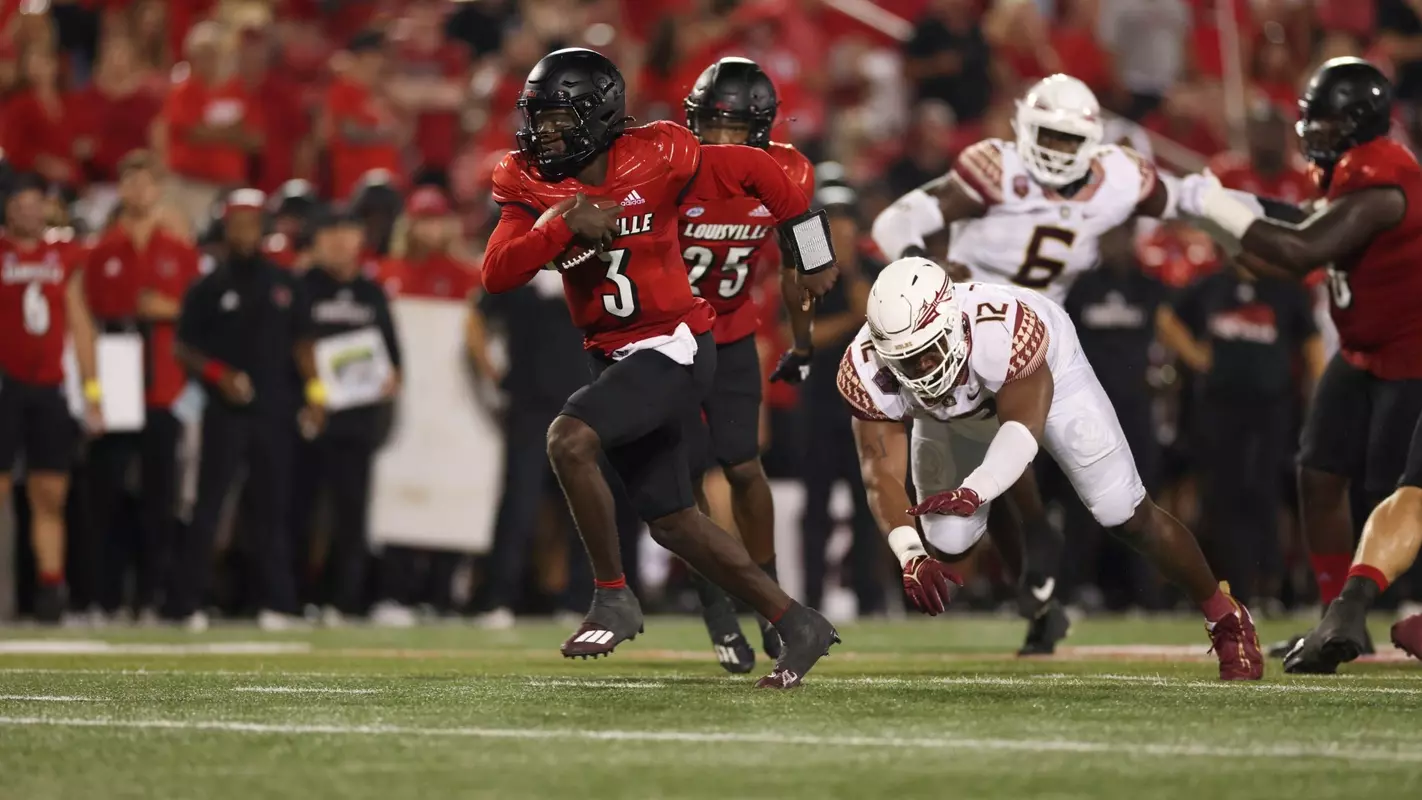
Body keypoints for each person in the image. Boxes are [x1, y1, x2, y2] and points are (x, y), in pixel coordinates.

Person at [480, 48, 839, 689]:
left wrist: (810, 249)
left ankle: (613, 593)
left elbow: (758, 169)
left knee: (570, 438)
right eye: (539, 118)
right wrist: (561, 225)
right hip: (614, 353)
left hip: (675, 342)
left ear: (599, 117)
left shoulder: (661, 155)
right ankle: (796, 621)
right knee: (674, 521)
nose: (545, 134)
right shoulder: (529, 178)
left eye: (560, 120)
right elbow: (498, 271)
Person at [840, 257, 1263, 681]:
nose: (922, 371)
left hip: (1049, 380)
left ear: (951, 325)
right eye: (907, 362)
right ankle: (1018, 522)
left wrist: (976, 490)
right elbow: (881, 475)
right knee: (947, 540)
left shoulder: (1007, 327)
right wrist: (909, 555)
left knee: (1123, 511)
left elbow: (1023, 431)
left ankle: (1225, 616)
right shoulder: (864, 368)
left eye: (928, 353)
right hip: (951, 417)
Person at [1179, 58, 1422, 671]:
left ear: (1359, 121)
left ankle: (1354, 608)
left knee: (1406, 492)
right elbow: (1292, 237)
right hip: (1365, 347)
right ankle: (1338, 617)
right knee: (1317, 473)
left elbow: (1299, 250)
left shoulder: (1387, 181)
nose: (1310, 127)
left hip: (1412, 350)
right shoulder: (1346, 172)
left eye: (1325, 116)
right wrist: (1213, 206)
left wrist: (1215, 205)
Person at [676, 56, 818, 673]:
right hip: (666, 338)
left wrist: (805, 339)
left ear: (760, 132)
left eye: (734, 130)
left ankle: (769, 599)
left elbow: (801, 256)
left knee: (743, 467)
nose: (720, 141)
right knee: (680, 480)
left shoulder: (789, 171)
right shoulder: (670, 166)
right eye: (711, 126)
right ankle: (715, 607)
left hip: (731, 334)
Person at [171, 188, 309, 632]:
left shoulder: (285, 283)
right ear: (225, 228)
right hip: (224, 411)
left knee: (273, 508)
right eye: (237, 223)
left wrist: (317, 396)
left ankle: (278, 603)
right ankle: (187, 601)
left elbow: (302, 345)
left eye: (252, 223)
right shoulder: (208, 286)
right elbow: (184, 347)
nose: (245, 232)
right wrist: (219, 374)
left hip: (275, 409)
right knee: (210, 504)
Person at [1158, 261, 1325, 606]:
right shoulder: (1210, 285)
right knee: (1221, 498)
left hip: (1273, 410)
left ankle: (1270, 585)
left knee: (1264, 495)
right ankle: (1233, 586)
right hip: (1217, 408)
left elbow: (1312, 345)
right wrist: (1195, 356)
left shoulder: (1285, 289)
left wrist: (1321, 400)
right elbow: (1165, 318)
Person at [82, 150, 200, 618]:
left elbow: (198, 319)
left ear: (158, 189)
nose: (137, 191)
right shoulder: (103, 250)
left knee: (159, 496)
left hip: (164, 382)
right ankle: (105, 597)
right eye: (129, 182)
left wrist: (167, 309)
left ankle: (152, 596)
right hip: (116, 372)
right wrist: (92, 390)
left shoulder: (179, 252)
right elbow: (86, 316)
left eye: (145, 182)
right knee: (107, 493)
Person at [289, 209, 402, 626]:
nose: (339, 242)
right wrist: (315, 394)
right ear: (316, 241)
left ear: (360, 239)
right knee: (300, 511)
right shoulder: (301, 287)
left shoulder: (372, 293)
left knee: (352, 515)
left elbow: (393, 360)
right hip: (309, 417)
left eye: (347, 232)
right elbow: (295, 346)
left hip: (358, 420)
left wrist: (389, 379)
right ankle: (297, 598)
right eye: (330, 233)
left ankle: (345, 600)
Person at [0, 173, 102, 622]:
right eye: (19, 203)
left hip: (49, 388)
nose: (28, 210)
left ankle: (51, 588)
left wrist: (93, 391)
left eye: (34, 202)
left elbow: (80, 325)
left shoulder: (64, 256)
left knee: (50, 493)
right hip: (5, 386)